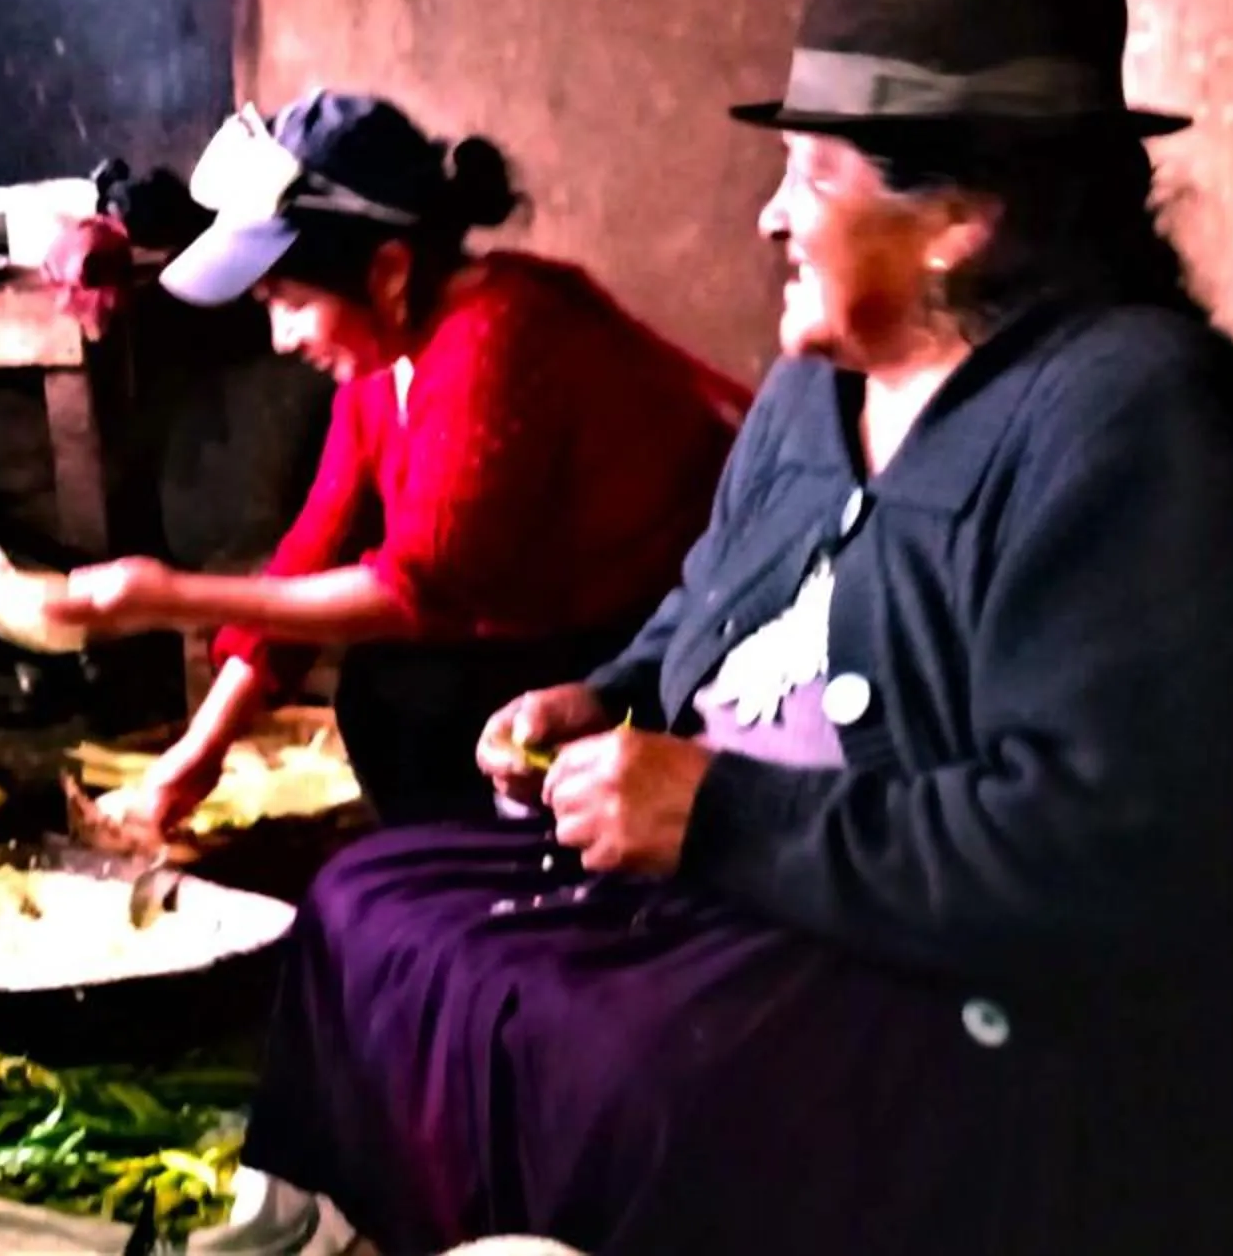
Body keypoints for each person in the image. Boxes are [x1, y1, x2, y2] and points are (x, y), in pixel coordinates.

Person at [242, 0, 1233, 1254]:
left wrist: (719, 817)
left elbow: (1100, 849)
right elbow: (706, 609)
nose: (770, 217)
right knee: (369, 908)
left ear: (959, 216)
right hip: (760, 893)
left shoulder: (1139, 420)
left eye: (811, 178)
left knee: (625, 1070)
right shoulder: (812, 392)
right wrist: (606, 699)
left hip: (982, 1001)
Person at [47, 90, 750, 831]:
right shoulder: (388, 363)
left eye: (291, 301)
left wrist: (172, 598)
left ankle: (505, 875)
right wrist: (197, 756)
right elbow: (313, 549)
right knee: (393, 689)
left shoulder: (498, 339)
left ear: (387, 271)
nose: (282, 337)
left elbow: (421, 591)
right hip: (566, 622)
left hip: (668, 638)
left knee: (410, 695)